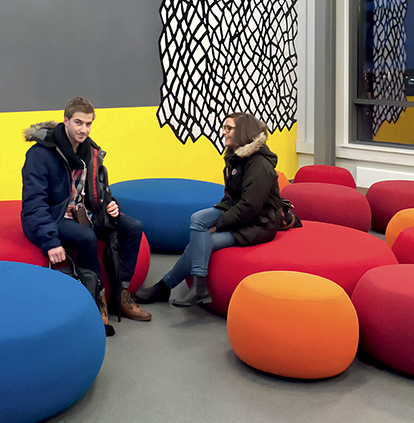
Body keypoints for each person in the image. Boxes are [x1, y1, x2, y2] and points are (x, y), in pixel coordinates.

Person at [21, 96, 151, 329]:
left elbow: (100, 190)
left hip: (85, 213)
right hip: (55, 215)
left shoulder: (90, 151)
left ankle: (121, 294)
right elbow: (34, 204)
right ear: (66, 121)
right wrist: (50, 241)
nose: (84, 129)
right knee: (86, 237)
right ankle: (96, 301)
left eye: (88, 124)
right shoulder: (40, 154)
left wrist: (110, 204)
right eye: (78, 123)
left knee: (133, 227)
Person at [134, 112, 285, 308]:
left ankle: (168, 286)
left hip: (258, 223)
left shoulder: (259, 165)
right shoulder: (236, 157)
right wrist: (218, 217)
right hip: (239, 212)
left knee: (202, 244)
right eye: (224, 128)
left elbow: (250, 207)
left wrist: (219, 225)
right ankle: (196, 287)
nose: (224, 132)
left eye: (229, 128)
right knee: (198, 218)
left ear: (243, 131)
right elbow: (233, 197)